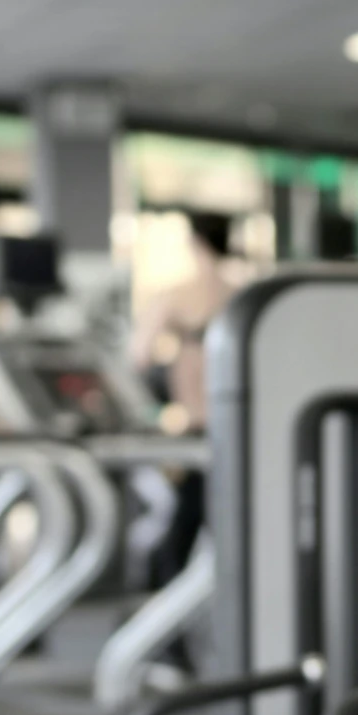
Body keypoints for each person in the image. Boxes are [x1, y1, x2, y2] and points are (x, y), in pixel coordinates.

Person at [131, 211, 245, 583]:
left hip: (197, 427)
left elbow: (139, 356)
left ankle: (168, 627)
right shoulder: (242, 296)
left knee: (185, 526)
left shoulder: (176, 295)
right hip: (238, 429)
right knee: (222, 522)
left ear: (194, 243)